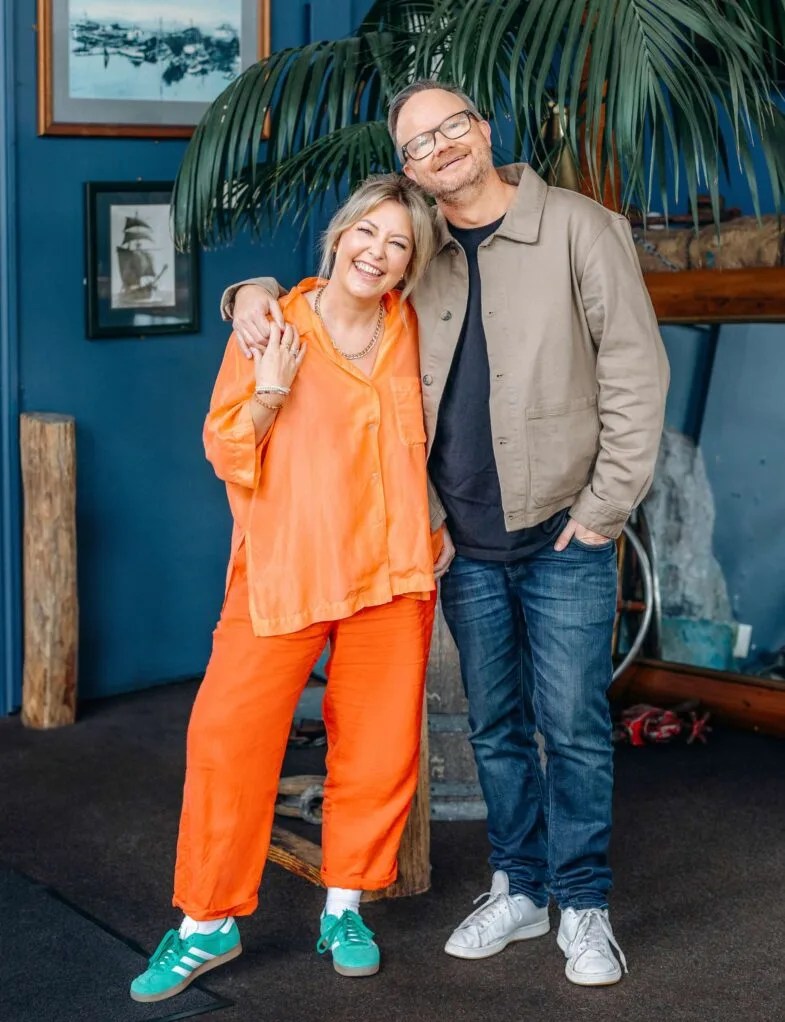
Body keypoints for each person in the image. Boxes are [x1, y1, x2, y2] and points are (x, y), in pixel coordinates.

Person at [221, 80, 669, 988]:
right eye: (417, 145)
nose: (437, 150)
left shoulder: (582, 228)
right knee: (495, 727)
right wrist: (249, 289)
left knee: (574, 727)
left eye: (450, 128)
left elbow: (634, 374)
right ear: (409, 171)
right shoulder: (416, 251)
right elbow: (325, 290)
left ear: (482, 130)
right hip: (461, 541)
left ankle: (583, 905)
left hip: (565, 534)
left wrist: (602, 513)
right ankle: (519, 886)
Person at [129, 173, 449, 1004]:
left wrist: (434, 528)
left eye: (397, 246)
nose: (376, 255)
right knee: (227, 743)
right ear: (339, 235)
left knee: (378, 749)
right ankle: (206, 923)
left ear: (409, 267)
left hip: (391, 571)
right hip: (286, 566)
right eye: (367, 235)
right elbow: (227, 450)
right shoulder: (274, 323)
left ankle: (344, 907)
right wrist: (270, 385)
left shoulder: (411, 327)